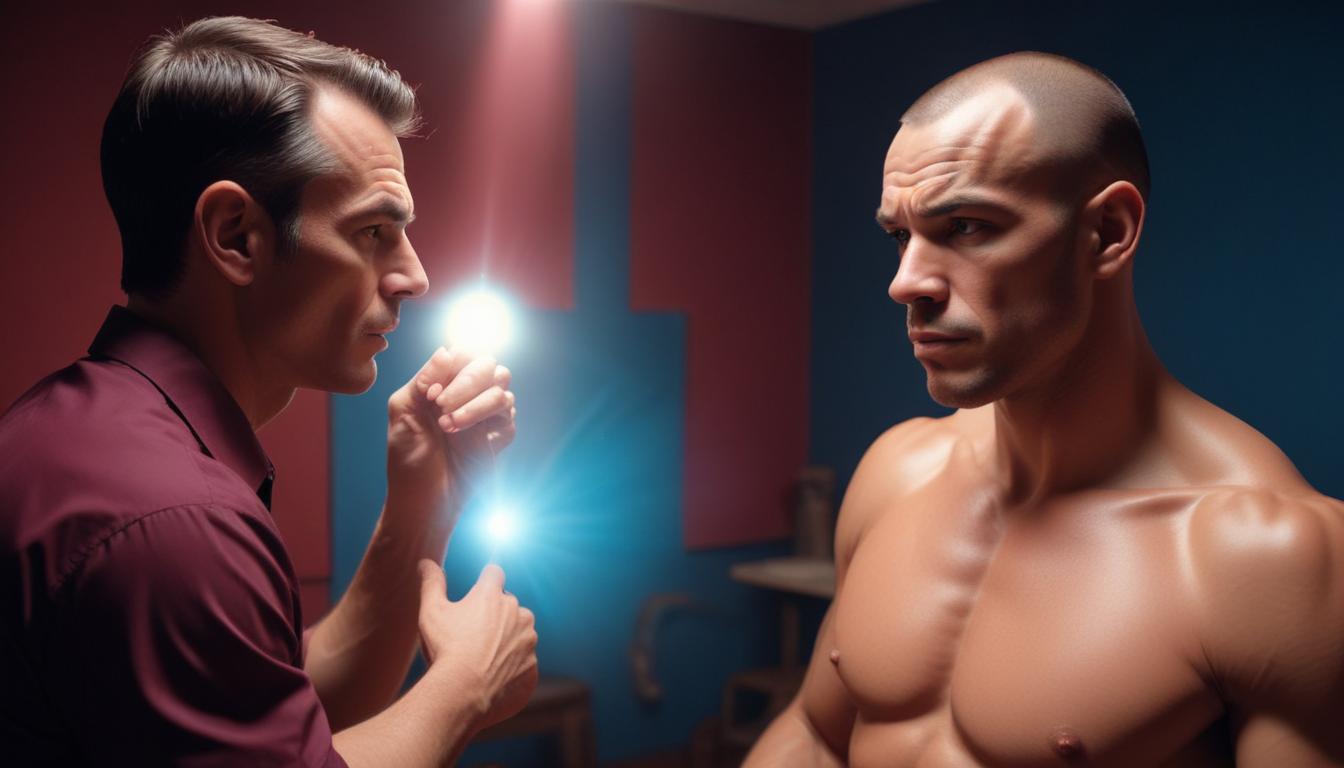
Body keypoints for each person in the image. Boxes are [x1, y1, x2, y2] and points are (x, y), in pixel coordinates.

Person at [746, 52, 1344, 766]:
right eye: (900, 236)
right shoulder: (898, 474)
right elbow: (816, 736)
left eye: (965, 226)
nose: (906, 283)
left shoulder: (1271, 558)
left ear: (1107, 233)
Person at [0, 17, 537, 767]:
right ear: (236, 236)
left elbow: (278, 716)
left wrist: (424, 502)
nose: (414, 276)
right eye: (374, 231)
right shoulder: (170, 520)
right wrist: (468, 685)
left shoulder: (86, 434)